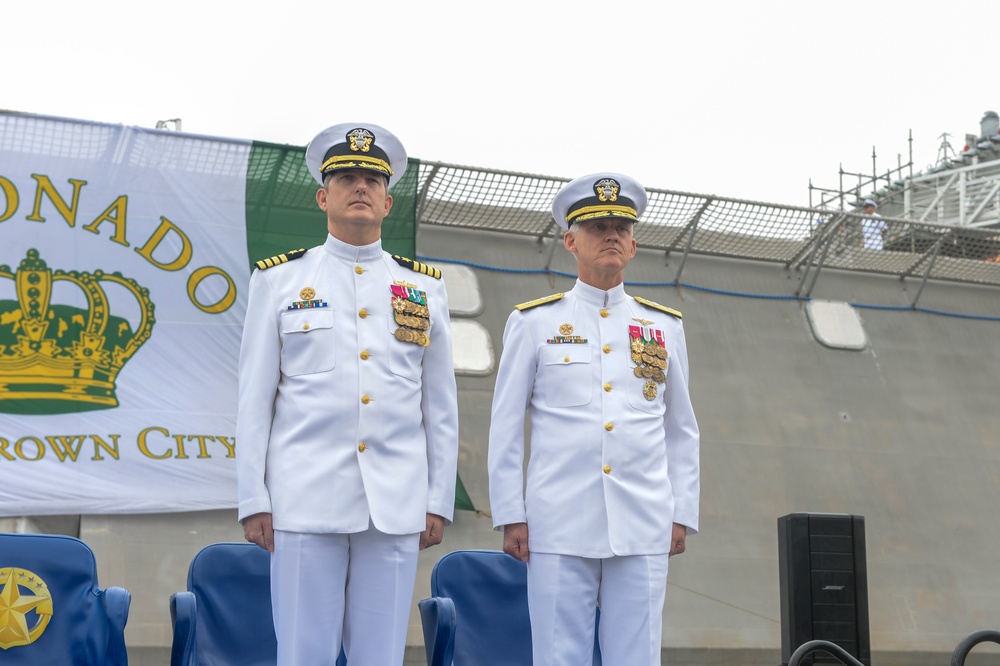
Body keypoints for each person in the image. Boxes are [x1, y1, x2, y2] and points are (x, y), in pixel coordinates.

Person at [236, 123, 459, 665]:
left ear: (387, 201)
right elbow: (254, 397)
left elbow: (440, 406)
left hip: (396, 504)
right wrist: (253, 497)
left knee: (379, 656)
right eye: (345, 177)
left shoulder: (424, 289)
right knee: (303, 653)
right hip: (303, 496)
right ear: (323, 196)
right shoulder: (280, 281)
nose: (359, 186)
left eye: (371, 179)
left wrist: (437, 500)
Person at [487, 173, 700, 664]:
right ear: (570, 240)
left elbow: (680, 428)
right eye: (598, 226)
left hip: (643, 520)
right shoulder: (534, 322)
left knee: (638, 657)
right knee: (559, 656)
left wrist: (681, 512)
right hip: (558, 520)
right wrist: (511, 513)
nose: (611, 236)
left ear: (633, 243)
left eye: (621, 228)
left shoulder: (663, 327)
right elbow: (505, 426)